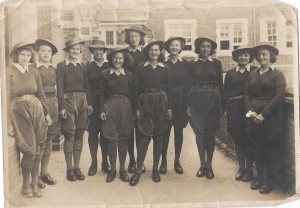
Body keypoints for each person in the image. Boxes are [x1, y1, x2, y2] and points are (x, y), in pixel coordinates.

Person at [7, 41, 52, 197]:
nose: (25, 58)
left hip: (36, 108)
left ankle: (34, 182)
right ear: (16, 55)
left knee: (39, 146)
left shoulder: (34, 72)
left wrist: (46, 113)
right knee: (29, 149)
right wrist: (7, 123)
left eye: (28, 55)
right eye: (22, 54)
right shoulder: (8, 72)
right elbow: (4, 99)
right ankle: (26, 184)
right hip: (19, 111)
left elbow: (40, 94)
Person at [244, 43, 286, 194]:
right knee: (257, 147)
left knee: (270, 149)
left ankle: (269, 181)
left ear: (271, 57)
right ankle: (259, 178)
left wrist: (263, 114)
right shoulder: (253, 74)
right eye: (259, 55)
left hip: (271, 117)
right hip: (254, 115)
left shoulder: (277, 74)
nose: (261, 57)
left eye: (264, 55)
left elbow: (280, 96)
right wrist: (252, 112)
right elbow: (247, 94)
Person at [130, 40, 172, 186]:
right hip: (145, 101)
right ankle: (138, 169)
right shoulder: (141, 67)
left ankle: (155, 169)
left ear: (160, 52)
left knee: (159, 135)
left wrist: (169, 108)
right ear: (147, 52)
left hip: (161, 100)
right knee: (143, 135)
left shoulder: (164, 68)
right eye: (151, 50)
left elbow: (169, 88)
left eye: (156, 50)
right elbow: (135, 89)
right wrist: (136, 108)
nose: (154, 53)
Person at [56, 38, 94, 181]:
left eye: (78, 49)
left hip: (82, 100)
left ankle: (77, 167)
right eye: (72, 48)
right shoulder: (61, 66)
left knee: (79, 134)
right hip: (68, 100)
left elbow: (87, 86)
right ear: (67, 50)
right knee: (69, 135)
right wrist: (62, 106)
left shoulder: (83, 66)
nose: (75, 51)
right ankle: (69, 168)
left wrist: (89, 103)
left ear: (80, 51)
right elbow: (59, 87)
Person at [188, 37, 223, 180]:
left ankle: (209, 165)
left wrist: (221, 105)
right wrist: (188, 105)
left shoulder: (216, 63)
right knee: (199, 133)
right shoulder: (191, 64)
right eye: (203, 46)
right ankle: (202, 164)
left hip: (213, 99)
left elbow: (220, 84)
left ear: (211, 49)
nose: (206, 49)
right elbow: (187, 84)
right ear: (198, 48)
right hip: (196, 99)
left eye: (208, 46)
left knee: (210, 133)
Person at [99, 48, 134, 183]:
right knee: (111, 138)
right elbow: (101, 93)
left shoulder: (129, 75)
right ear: (111, 59)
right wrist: (102, 110)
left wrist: (133, 110)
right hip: (110, 105)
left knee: (124, 137)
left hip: (125, 106)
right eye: (115, 58)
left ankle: (123, 169)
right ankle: (113, 169)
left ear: (124, 60)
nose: (117, 61)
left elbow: (133, 95)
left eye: (120, 58)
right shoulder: (105, 74)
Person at [223, 46, 257, 182]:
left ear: (250, 57)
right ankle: (241, 168)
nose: (243, 58)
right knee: (237, 138)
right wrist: (225, 109)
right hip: (234, 108)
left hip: (248, 109)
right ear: (236, 57)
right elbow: (226, 91)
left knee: (249, 138)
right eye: (240, 55)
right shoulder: (231, 72)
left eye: (246, 55)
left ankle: (249, 170)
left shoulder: (254, 71)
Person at [159, 37, 190, 174]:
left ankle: (177, 162)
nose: (174, 47)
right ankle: (163, 161)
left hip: (181, 101)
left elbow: (189, 85)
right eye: (172, 45)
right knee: (165, 132)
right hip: (166, 100)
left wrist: (188, 104)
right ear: (168, 47)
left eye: (177, 45)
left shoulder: (185, 64)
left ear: (180, 47)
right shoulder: (163, 64)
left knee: (178, 131)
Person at [31, 39, 59, 188]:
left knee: (49, 140)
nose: (46, 54)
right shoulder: (32, 68)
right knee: (39, 142)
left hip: (53, 103)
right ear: (37, 53)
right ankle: (35, 178)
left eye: (48, 51)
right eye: (43, 50)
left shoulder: (54, 69)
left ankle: (44, 172)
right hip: (39, 105)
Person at [123, 26, 147, 173]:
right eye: (131, 36)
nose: (133, 39)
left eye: (136, 36)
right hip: (126, 93)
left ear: (140, 38)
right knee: (128, 129)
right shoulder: (124, 53)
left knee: (141, 129)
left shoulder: (145, 53)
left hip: (142, 94)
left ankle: (140, 161)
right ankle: (131, 160)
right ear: (128, 38)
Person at [86, 40, 110, 176]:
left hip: (107, 102)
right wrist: (89, 103)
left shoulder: (109, 65)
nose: (98, 52)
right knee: (93, 133)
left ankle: (105, 162)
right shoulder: (88, 66)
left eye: (101, 49)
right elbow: (86, 86)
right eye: (95, 50)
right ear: (92, 52)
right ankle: (93, 163)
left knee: (106, 133)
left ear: (104, 51)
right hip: (93, 103)